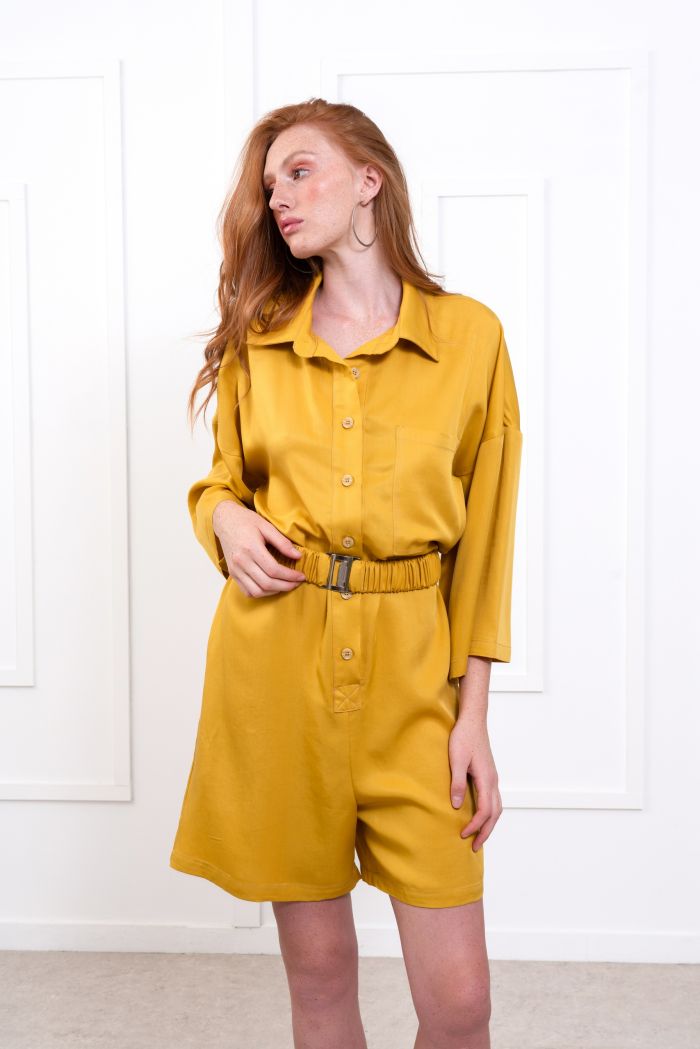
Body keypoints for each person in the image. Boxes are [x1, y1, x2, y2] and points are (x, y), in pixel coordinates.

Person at [170, 98, 523, 1049]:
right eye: (268, 184)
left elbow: (487, 542)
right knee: (321, 975)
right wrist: (222, 519)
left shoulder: (470, 337)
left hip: (415, 684)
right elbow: (221, 482)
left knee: (460, 1002)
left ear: (370, 179)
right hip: (277, 670)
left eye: (300, 171)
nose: (278, 198)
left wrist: (474, 717)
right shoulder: (258, 338)